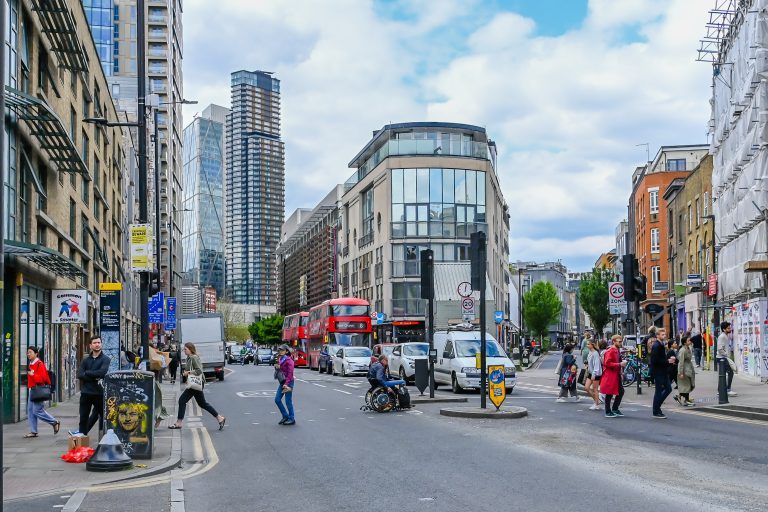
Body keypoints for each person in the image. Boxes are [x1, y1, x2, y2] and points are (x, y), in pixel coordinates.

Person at [169, 343, 226, 430]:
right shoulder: (189, 358)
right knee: (202, 403)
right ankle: (219, 418)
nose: (184, 351)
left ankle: (179, 422)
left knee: (182, 400)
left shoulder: (194, 358)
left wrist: (188, 373)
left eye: (186, 349)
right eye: (184, 349)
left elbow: (199, 371)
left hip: (196, 383)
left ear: (191, 349)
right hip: (195, 383)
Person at [77, 335, 110, 435]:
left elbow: (102, 373)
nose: (97, 345)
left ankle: (107, 439)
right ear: (90, 345)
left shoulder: (105, 359)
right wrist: (93, 377)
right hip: (86, 392)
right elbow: (80, 375)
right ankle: (82, 439)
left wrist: (87, 373)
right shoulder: (85, 360)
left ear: (101, 344)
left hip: (99, 393)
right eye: (95, 343)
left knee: (105, 417)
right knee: (83, 418)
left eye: (99, 343)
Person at [24, 347, 60, 438]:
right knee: (30, 411)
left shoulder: (39, 364)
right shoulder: (31, 364)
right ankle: (33, 431)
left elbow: (42, 379)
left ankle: (54, 422)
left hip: (38, 390)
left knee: (37, 411)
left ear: (36, 354)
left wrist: (33, 375)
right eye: (27, 353)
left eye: (30, 352)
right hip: (32, 390)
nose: (28, 354)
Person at [650, 329, 675, 418]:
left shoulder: (661, 345)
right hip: (658, 372)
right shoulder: (657, 346)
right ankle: (656, 410)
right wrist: (668, 361)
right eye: (662, 334)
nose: (664, 336)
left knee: (668, 389)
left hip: (663, 371)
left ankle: (657, 407)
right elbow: (655, 360)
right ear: (657, 336)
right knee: (659, 392)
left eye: (665, 334)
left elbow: (661, 359)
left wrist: (669, 360)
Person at [601, 335, 627, 418]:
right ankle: (608, 411)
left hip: (615, 374)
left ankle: (615, 409)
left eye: (621, 341)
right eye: (619, 341)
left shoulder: (616, 350)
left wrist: (621, 370)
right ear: (614, 341)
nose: (620, 343)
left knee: (621, 391)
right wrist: (619, 364)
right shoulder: (611, 351)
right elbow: (607, 363)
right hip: (610, 375)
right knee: (609, 393)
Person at [274, 344, 296, 425]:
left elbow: (290, 374)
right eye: (280, 350)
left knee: (288, 401)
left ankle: (291, 418)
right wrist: (277, 367)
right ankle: (285, 416)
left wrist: (286, 384)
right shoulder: (281, 358)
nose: (280, 351)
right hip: (282, 382)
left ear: (286, 351)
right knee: (277, 400)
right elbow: (281, 370)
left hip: (289, 382)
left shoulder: (289, 361)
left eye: (282, 350)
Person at [675, 334, 696, 406]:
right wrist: (680, 372)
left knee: (688, 384)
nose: (690, 341)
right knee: (686, 385)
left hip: (688, 368)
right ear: (684, 343)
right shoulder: (682, 350)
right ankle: (686, 400)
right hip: (684, 369)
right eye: (688, 340)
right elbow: (681, 362)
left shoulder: (687, 348)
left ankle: (680, 397)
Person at [716, 321, 736, 396]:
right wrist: (726, 355)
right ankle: (727, 389)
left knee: (723, 374)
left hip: (722, 358)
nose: (730, 329)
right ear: (724, 329)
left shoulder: (725, 336)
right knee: (730, 372)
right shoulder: (722, 337)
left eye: (730, 327)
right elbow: (720, 349)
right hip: (723, 358)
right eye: (728, 328)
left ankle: (720, 390)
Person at [585, 339, 602, 410]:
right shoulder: (590, 352)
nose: (587, 345)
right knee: (586, 388)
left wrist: (594, 373)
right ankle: (597, 400)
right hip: (590, 372)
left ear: (592, 345)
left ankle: (596, 403)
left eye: (588, 344)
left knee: (595, 389)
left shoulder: (595, 353)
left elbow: (597, 365)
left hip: (596, 373)